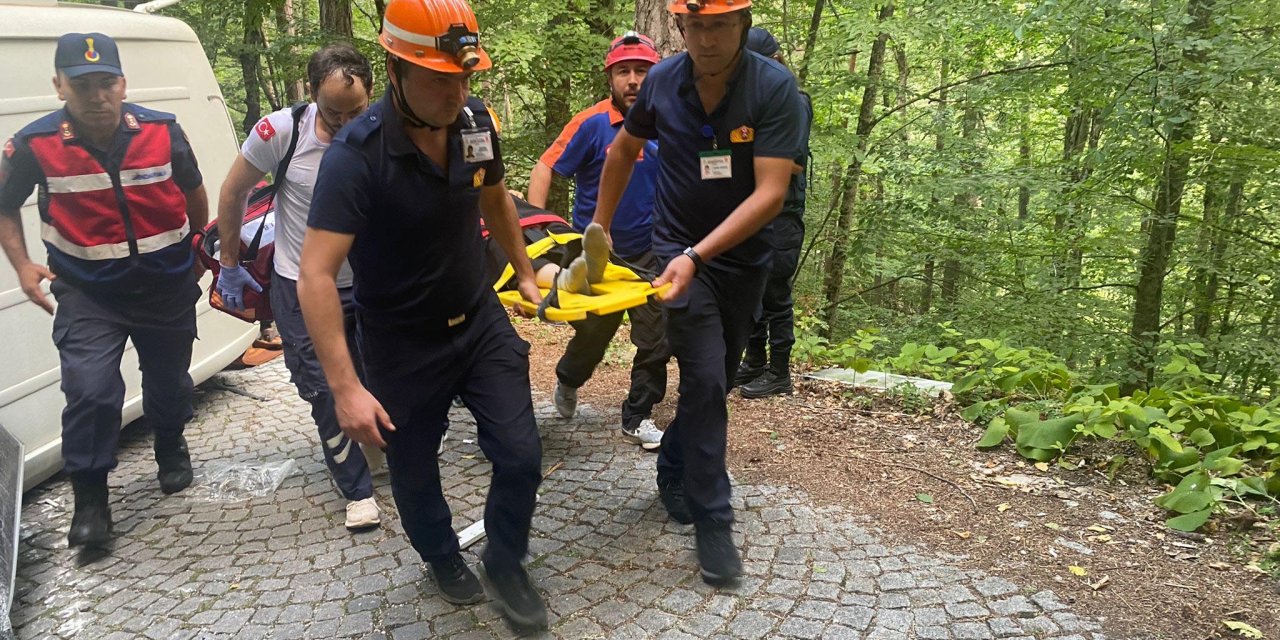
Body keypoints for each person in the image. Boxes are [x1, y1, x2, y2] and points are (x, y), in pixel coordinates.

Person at [297, 0, 548, 629]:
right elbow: (316, 274)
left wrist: (520, 269)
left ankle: (507, 560)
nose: (455, 91)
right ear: (395, 67)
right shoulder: (356, 156)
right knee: (413, 468)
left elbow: (495, 194)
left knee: (519, 454)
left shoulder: (473, 120)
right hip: (402, 341)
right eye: (439, 78)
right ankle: (440, 555)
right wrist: (345, 388)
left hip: (479, 317)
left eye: (463, 77)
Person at [589, 0, 804, 583]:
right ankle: (715, 520)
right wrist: (601, 231)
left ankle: (674, 466)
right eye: (697, 26)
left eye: (721, 25)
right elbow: (623, 151)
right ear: (681, 27)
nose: (708, 39)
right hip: (676, 252)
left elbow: (771, 194)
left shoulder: (774, 88)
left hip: (741, 260)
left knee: (718, 380)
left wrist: (699, 253)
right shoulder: (661, 81)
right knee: (705, 377)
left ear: (743, 24)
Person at [0, 33, 208, 548]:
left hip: (165, 285)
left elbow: (192, 189)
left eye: (106, 82)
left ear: (122, 83)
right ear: (59, 86)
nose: (97, 95)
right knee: (90, 390)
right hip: (88, 291)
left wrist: (198, 250)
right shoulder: (33, 144)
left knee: (170, 382)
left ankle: (170, 443)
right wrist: (23, 265)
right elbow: (4, 203)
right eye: (83, 84)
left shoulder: (163, 131)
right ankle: (91, 501)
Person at [215, 43, 382, 531]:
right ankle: (356, 489)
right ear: (311, 95)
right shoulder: (281, 132)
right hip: (300, 283)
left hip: (370, 282)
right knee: (322, 388)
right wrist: (229, 263)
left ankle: (372, 438)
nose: (346, 123)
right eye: (334, 113)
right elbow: (233, 190)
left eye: (357, 111)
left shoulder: (383, 132)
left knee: (377, 374)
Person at [527, 31, 670, 450]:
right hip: (596, 253)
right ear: (610, 78)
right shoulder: (591, 124)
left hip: (651, 249)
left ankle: (638, 414)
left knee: (656, 336)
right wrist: (541, 231)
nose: (633, 81)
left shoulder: (673, 122)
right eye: (623, 71)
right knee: (594, 332)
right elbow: (545, 168)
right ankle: (569, 379)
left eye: (642, 71)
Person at [735, 27, 812, 399]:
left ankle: (780, 372)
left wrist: (749, 158)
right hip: (751, 212)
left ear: (776, 60)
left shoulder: (794, 101)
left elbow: (791, 160)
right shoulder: (751, 102)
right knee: (751, 290)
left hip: (782, 214)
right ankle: (754, 363)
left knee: (775, 292)